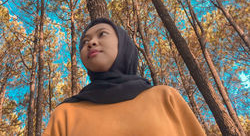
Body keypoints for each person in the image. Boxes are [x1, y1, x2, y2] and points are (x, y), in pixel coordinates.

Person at [43, 18, 206, 136]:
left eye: (102, 34)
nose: (91, 43)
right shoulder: (65, 113)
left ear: (123, 44)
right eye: (85, 41)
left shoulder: (165, 97)